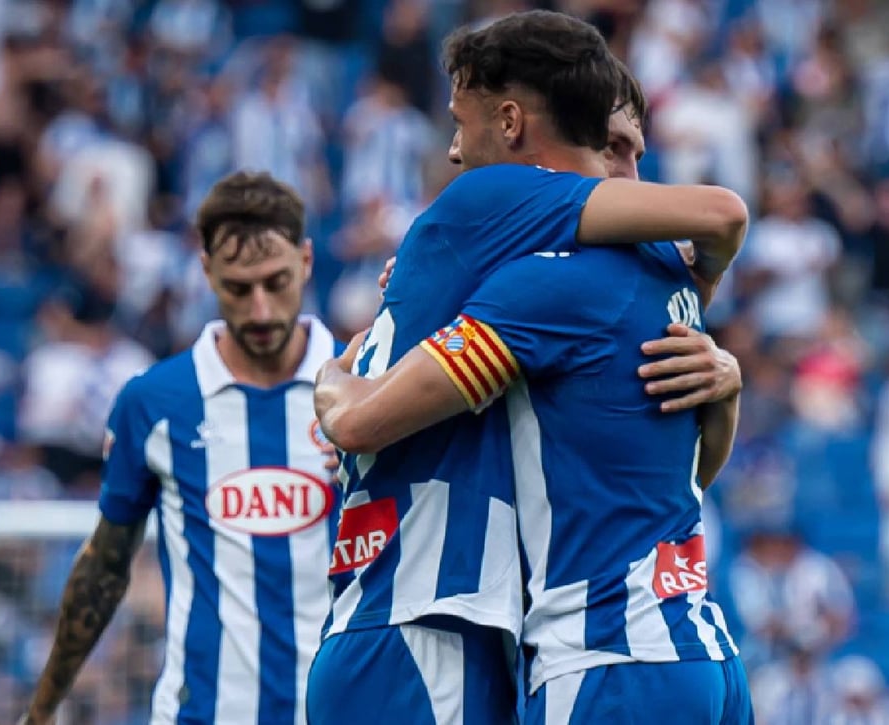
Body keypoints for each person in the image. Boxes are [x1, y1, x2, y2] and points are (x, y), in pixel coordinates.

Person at [310, 17, 751, 724]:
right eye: (612, 149)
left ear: (511, 122)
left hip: (563, 650)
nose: (454, 150)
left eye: (633, 151)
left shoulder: (553, 277)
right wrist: (332, 384)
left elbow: (687, 475)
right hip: (438, 625)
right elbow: (361, 423)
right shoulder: (534, 252)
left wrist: (724, 380)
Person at [20, 171, 342, 724]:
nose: (261, 310)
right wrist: (43, 708)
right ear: (207, 271)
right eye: (239, 288)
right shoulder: (154, 402)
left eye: (277, 282)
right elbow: (105, 565)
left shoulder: (367, 384)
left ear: (307, 261)